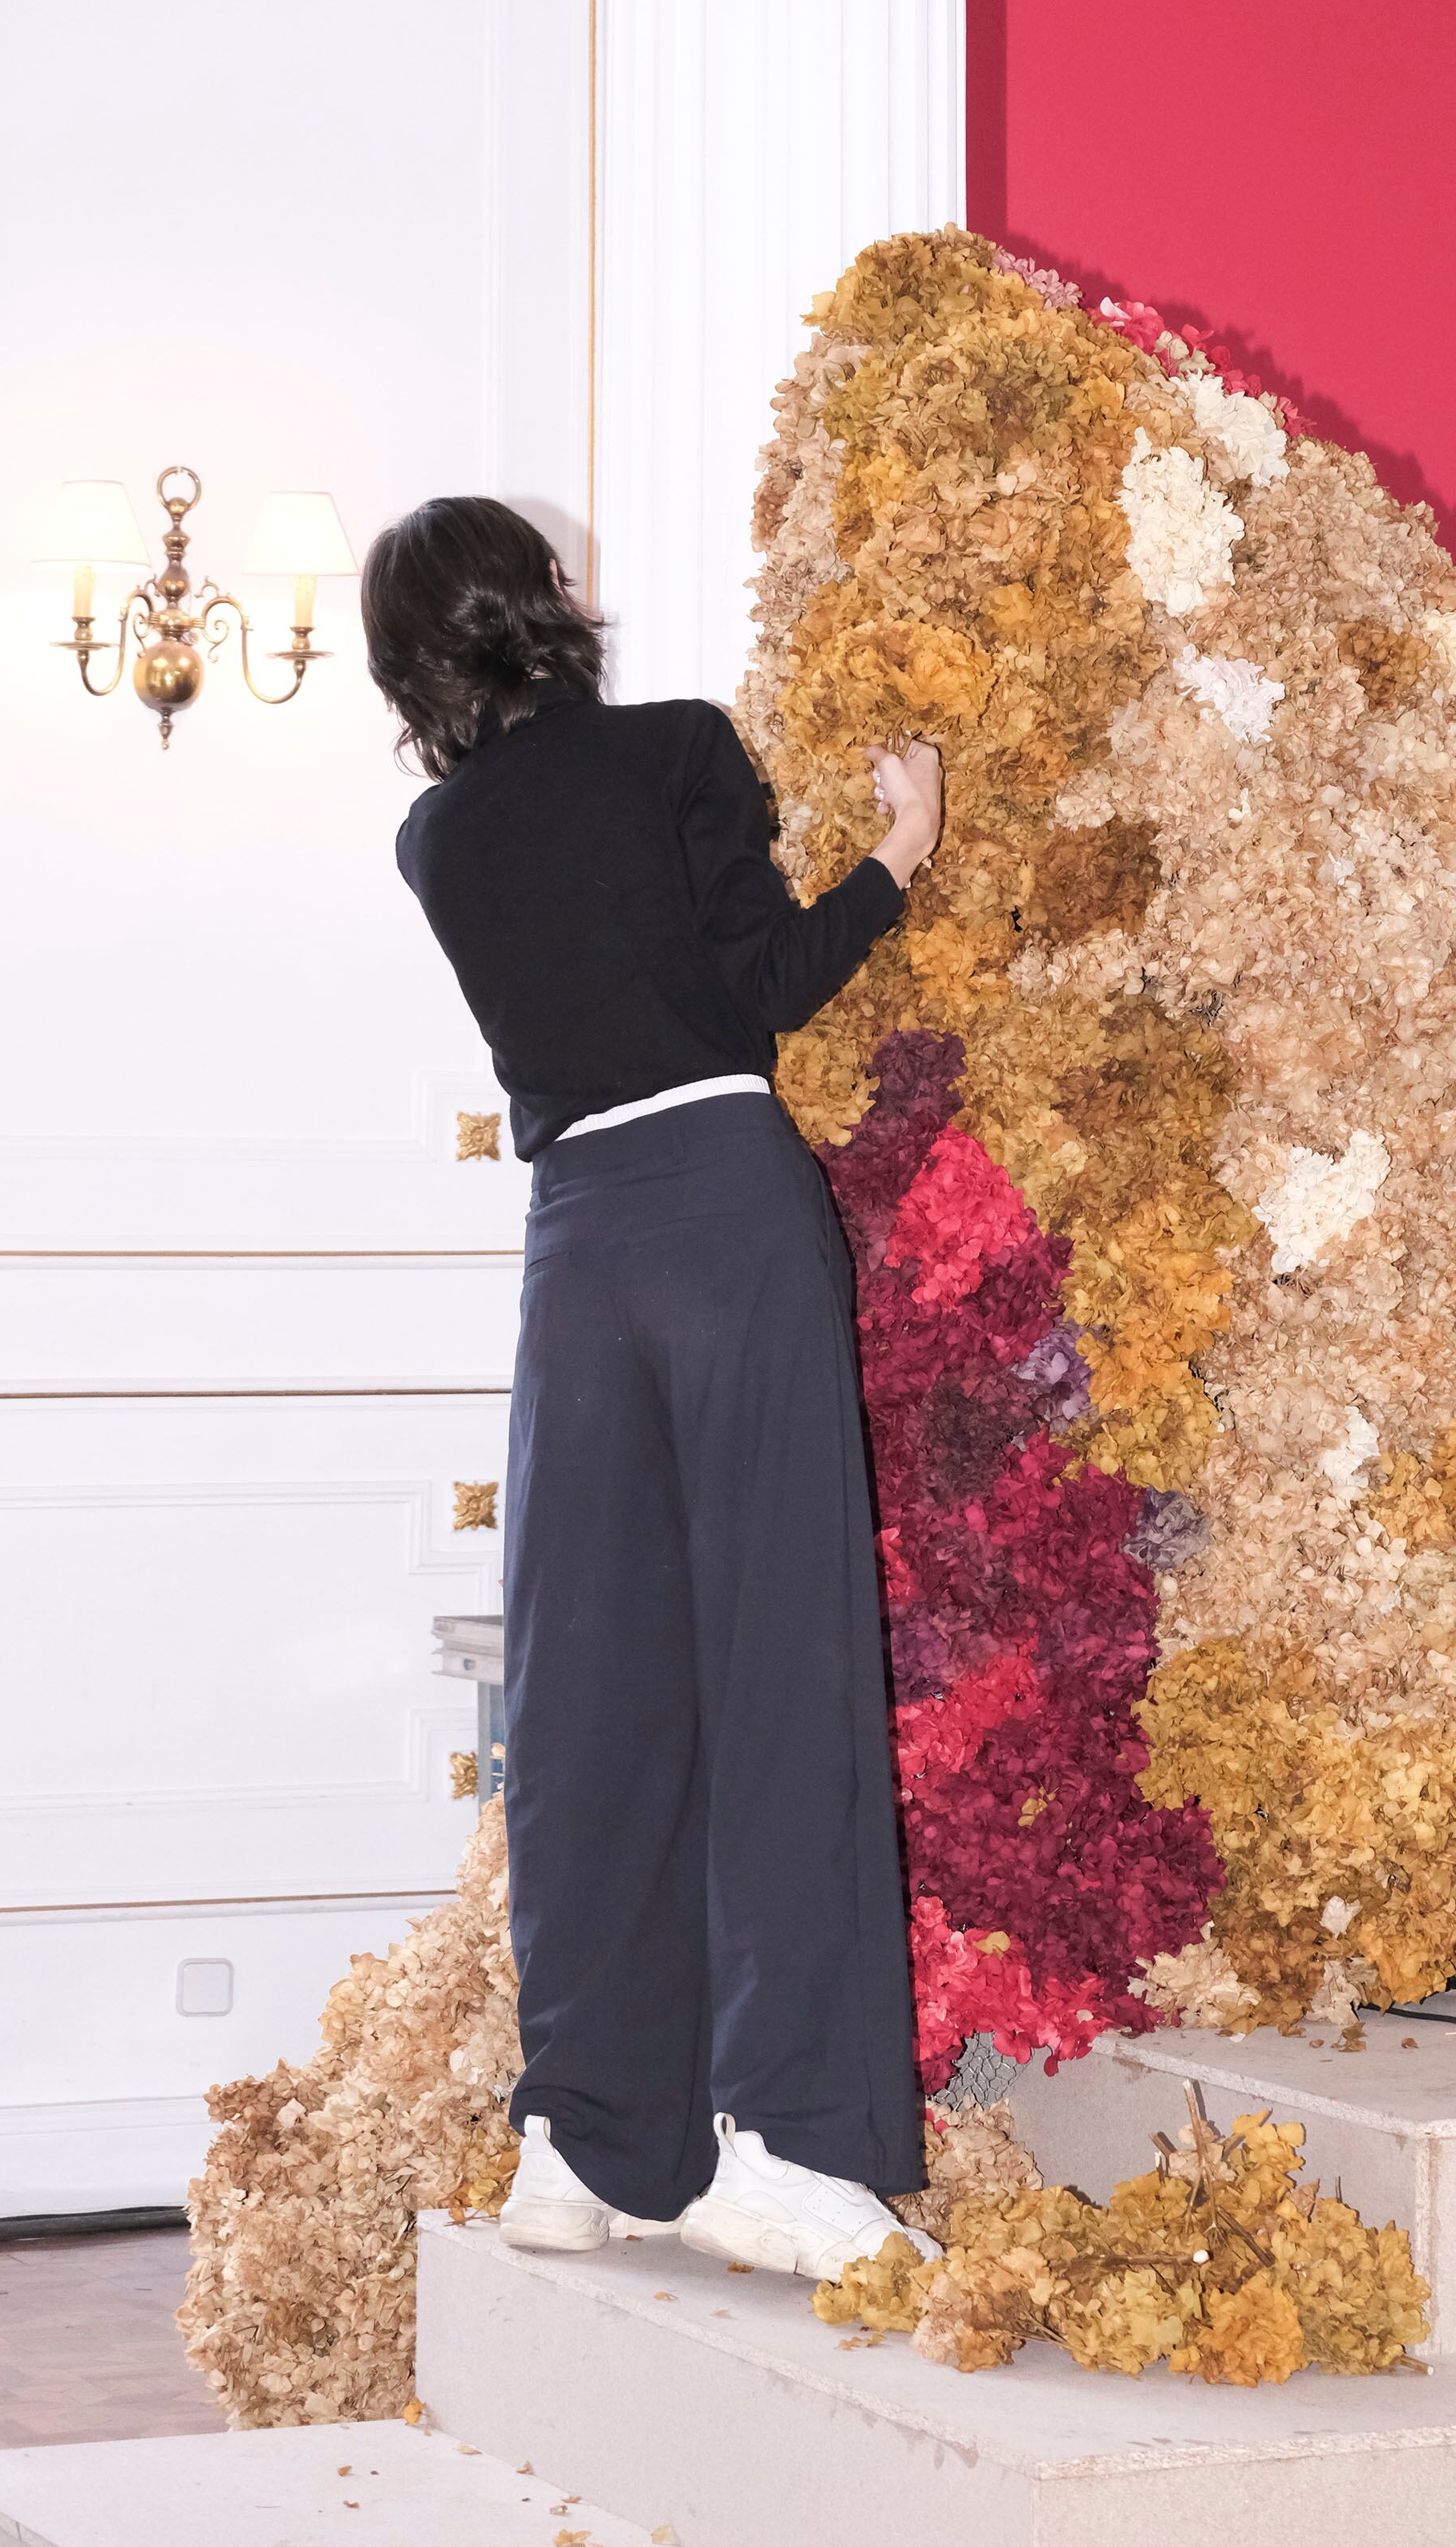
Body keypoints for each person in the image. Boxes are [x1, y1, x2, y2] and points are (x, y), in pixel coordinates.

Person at [361, 496, 944, 2282]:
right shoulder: (679, 751)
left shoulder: (435, 840)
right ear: (546, 602)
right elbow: (754, 990)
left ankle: (586, 2142)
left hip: (577, 1250)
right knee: (782, 1668)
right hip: (721, 1209)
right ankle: (790, 2147)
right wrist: (896, 854)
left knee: (588, 1687)